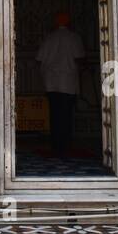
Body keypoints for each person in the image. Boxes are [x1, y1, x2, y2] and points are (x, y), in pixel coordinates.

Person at [36, 11, 84, 156]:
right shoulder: (74, 38)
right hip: (68, 82)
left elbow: (39, 58)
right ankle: (65, 146)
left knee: (55, 115)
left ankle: (55, 145)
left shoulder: (49, 38)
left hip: (51, 82)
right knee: (67, 115)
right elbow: (79, 58)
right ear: (68, 23)